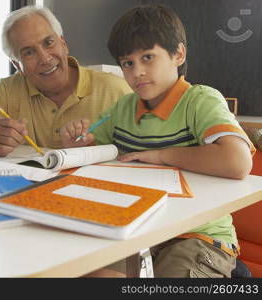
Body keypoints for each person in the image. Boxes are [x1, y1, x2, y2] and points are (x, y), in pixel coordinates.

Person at [60, 4, 255, 277]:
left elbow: (237, 162)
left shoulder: (201, 100)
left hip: (198, 234)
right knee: (90, 271)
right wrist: (77, 145)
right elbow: (96, 150)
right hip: (137, 227)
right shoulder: (123, 107)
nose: (137, 71)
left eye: (148, 57)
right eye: (127, 63)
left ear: (178, 54)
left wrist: (163, 155)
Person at [0, 5, 132, 157]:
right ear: (17, 65)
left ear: (63, 43)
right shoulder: (9, 90)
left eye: (48, 42)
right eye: (28, 52)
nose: (45, 59)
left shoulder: (114, 90)